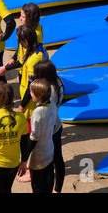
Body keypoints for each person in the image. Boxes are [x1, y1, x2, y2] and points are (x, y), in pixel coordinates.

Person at [0, 24, 46, 130]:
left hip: (30, 102)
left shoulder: (34, 59)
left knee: (30, 129)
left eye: (19, 41)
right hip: (27, 97)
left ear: (26, 41)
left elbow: (31, 86)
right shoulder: (33, 50)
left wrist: (21, 106)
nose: (19, 43)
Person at [32, 60, 65, 193]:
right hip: (56, 123)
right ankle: (57, 189)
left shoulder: (48, 91)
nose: (34, 76)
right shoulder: (58, 81)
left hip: (49, 127)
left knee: (49, 162)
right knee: (57, 158)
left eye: (36, 74)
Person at [26, 78, 57, 193]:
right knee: (48, 183)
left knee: (37, 185)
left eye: (31, 92)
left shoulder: (38, 112)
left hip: (39, 156)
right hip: (50, 150)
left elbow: (34, 137)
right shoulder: (52, 104)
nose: (30, 94)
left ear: (38, 95)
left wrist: (25, 156)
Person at [15, 3, 46, 81]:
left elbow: (24, 59)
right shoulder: (30, 28)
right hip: (22, 67)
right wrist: (13, 59)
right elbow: (20, 47)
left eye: (23, 17)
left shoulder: (33, 34)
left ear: (30, 19)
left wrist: (6, 68)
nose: (19, 18)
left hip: (28, 70)